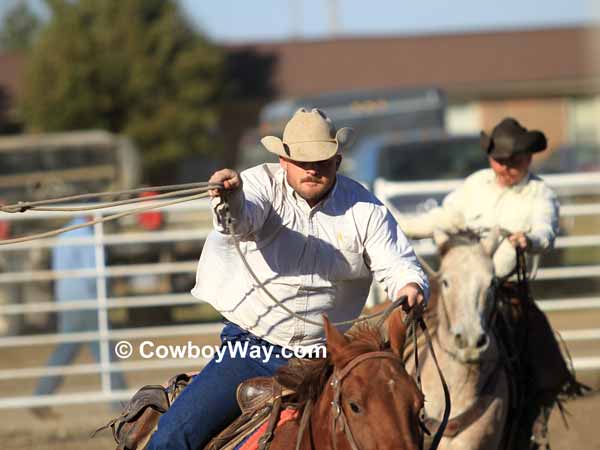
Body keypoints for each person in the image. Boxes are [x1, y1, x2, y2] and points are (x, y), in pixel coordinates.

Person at [146, 108, 429, 450]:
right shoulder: (259, 185)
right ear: (283, 161)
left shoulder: (365, 209)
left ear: (337, 161)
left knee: (397, 425)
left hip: (325, 357)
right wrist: (230, 198)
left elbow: (397, 262)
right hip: (249, 348)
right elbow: (239, 218)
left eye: (322, 160)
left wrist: (409, 286)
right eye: (302, 160)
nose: (312, 168)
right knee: (176, 434)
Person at [397, 117, 585, 448]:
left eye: (514, 160)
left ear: (528, 159)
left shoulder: (538, 194)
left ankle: (526, 418)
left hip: (507, 289)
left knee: (540, 358)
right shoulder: (475, 185)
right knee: (402, 326)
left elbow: (546, 229)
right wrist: (406, 226)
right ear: (490, 158)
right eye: (500, 160)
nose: (506, 167)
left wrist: (529, 238)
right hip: (458, 280)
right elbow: (447, 216)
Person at [32, 216, 127, 419]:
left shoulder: (65, 232)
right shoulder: (86, 234)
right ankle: (121, 406)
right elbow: (94, 273)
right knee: (105, 351)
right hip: (87, 300)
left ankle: (41, 395)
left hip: (68, 298)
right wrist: (108, 290)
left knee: (65, 351)